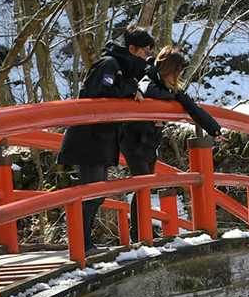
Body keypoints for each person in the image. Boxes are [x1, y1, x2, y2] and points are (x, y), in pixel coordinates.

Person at [58, 25, 153, 250]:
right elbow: (99, 94)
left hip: (103, 139)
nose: (146, 57)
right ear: (131, 48)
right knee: (92, 192)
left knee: (97, 193)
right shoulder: (108, 64)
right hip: (89, 137)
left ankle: (84, 242)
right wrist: (130, 88)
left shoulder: (124, 69)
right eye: (144, 52)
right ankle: (81, 244)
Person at [122, 44, 223, 183]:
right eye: (176, 72)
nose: (177, 76)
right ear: (168, 69)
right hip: (134, 139)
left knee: (146, 186)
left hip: (150, 141)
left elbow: (193, 108)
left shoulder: (173, 89)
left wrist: (214, 129)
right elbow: (146, 91)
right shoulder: (148, 77)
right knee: (144, 186)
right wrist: (173, 97)